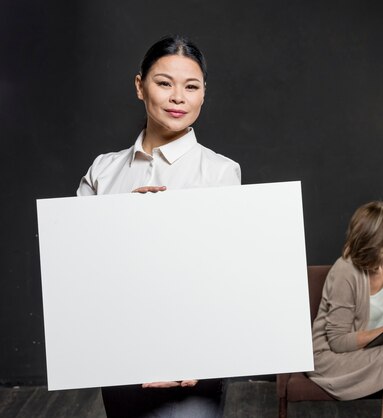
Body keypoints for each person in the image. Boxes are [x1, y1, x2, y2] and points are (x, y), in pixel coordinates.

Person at [77, 35, 240, 417]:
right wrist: (125, 224)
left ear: (203, 95)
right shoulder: (103, 171)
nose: (177, 97)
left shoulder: (220, 173)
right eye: (164, 83)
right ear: (140, 86)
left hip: (193, 366)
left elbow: (225, 276)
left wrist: (192, 353)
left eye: (191, 86)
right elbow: (82, 270)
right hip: (119, 356)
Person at [307, 201, 383, 418]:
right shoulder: (345, 272)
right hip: (330, 357)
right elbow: (337, 342)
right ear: (378, 242)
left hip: (371, 349)